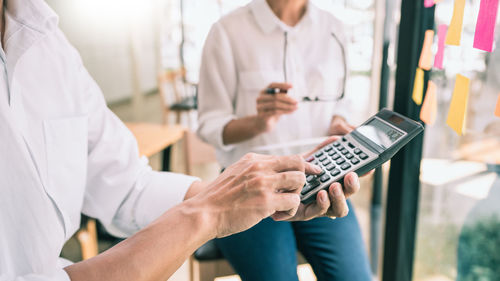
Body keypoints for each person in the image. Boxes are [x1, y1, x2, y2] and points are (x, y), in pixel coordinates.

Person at [0, 1, 362, 280]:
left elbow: (130, 186)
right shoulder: (228, 31)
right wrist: (215, 206)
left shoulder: (48, 42)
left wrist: (233, 194)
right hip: (243, 185)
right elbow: (210, 126)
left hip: (306, 183)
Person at [197, 0, 372, 280]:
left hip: (321, 181)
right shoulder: (227, 32)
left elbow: (341, 102)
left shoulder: (334, 29)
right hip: (249, 187)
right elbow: (209, 125)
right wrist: (258, 122)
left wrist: (338, 122)